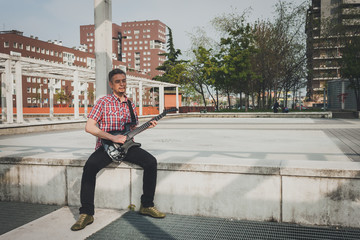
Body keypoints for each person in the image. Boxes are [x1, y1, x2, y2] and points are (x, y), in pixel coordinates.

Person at [71, 68, 165, 231]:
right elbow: (89, 127)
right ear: (111, 84)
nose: (122, 84)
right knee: (90, 167)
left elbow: (132, 128)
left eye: (123, 81)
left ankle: (147, 205)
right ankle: (86, 213)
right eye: (117, 81)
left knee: (151, 162)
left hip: (128, 145)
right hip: (107, 146)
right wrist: (113, 138)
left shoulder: (130, 104)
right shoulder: (103, 102)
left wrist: (147, 126)